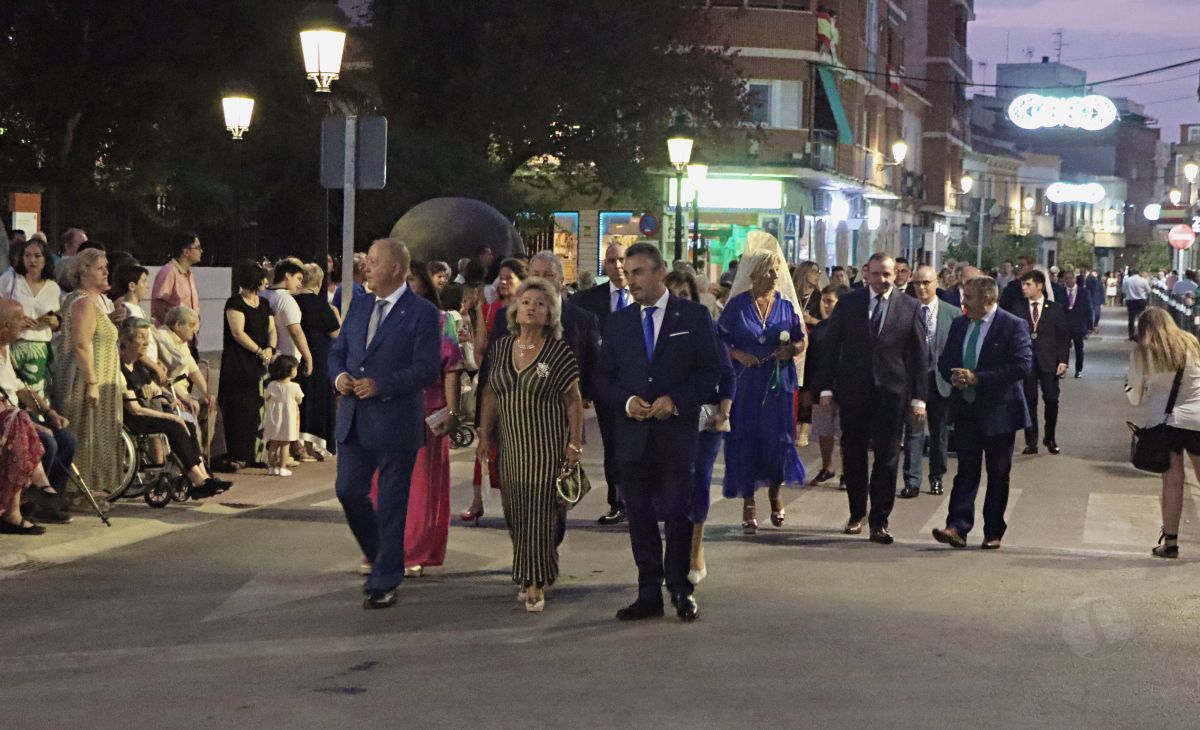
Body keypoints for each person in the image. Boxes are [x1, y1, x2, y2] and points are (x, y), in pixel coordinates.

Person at [595, 242, 721, 622]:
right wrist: (627, 402)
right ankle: (648, 591)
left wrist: (675, 400)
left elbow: (710, 374)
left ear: (659, 272)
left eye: (637, 272)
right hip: (633, 437)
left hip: (675, 436)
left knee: (678, 514)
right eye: (627, 273)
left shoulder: (694, 317)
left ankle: (680, 589)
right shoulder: (619, 322)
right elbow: (603, 379)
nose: (629, 280)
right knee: (640, 517)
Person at [329, 238, 441, 610]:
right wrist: (339, 377)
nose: (367, 267)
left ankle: (385, 580)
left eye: (374, 261)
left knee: (392, 503)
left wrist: (383, 385)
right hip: (355, 419)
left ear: (395, 268)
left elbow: (426, 368)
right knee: (348, 490)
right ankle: (382, 556)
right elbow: (338, 352)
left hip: (395, 421)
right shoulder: (358, 305)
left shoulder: (422, 313)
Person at [476, 278, 581, 612]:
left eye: (540, 303)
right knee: (517, 513)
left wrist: (575, 444)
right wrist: (483, 433)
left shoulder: (558, 351)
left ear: (550, 313)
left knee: (540, 512)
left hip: (547, 444)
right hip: (511, 446)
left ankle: (533, 582)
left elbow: (574, 402)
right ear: (515, 310)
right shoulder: (502, 349)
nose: (532, 307)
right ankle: (537, 569)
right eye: (526, 302)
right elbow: (491, 392)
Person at [813, 252, 928, 544]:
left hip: (892, 393)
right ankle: (856, 513)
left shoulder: (910, 307)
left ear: (896, 274)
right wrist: (825, 388)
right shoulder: (850, 303)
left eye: (888, 274)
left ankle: (880, 521)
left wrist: (919, 398)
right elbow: (831, 346)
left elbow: (918, 356)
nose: (882, 280)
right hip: (854, 392)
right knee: (853, 455)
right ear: (867, 273)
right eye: (877, 274)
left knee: (888, 458)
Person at [932, 277, 1032, 550]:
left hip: (1000, 412)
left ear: (988, 300)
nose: (963, 302)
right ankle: (957, 527)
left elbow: (1022, 366)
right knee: (966, 471)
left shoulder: (1013, 325)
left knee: (998, 473)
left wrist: (978, 378)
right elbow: (945, 360)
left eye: (969, 298)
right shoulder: (960, 324)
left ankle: (993, 531)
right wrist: (952, 376)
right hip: (966, 409)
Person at [719, 242, 806, 533]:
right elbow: (720, 338)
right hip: (745, 385)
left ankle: (775, 493)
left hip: (777, 385)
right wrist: (737, 354)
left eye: (776, 271)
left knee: (776, 443)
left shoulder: (785, 305)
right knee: (746, 441)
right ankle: (748, 502)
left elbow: (800, 338)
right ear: (753, 274)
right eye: (767, 271)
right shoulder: (737, 305)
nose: (773, 276)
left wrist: (792, 350)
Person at [386, 262, 463, 577]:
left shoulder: (440, 320)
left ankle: (414, 548)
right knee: (384, 483)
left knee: (418, 485)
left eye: (411, 280)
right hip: (387, 411)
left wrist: (452, 410)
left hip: (426, 411)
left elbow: (451, 367)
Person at [665, 270, 734, 586]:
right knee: (671, 489)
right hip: (670, 422)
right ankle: (673, 556)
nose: (678, 300)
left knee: (699, 483)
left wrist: (723, 411)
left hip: (706, 421)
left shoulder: (706, 326)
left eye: (684, 293)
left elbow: (727, 374)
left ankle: (695, 550)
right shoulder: (656, 332)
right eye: (672, 293)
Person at [118, 318, 229, 497]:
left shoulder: (138, 365)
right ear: (127, 341)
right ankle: (197, 480)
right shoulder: (121, 368)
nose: (146, 342)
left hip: (147, 411)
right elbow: (135, 409)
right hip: (134, 418)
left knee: (188, 424)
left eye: (147, 337)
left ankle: (204, 476)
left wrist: (169, 398)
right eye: (141, 337)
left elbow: (153, 389)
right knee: (175, 424)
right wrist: (170, 417)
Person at [1124, 308, 1200, 559]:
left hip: (1164, 424)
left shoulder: (1142, 353)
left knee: (1172, 483)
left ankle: (1170, 543)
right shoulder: (1191, 342)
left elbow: (1134, 395)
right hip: (1197, 419)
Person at [52, 249, 122, 501]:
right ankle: (75, 494)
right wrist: (92, 383)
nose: (106, 271)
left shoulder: (93, 301)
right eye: (100, 267)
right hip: (84, 381)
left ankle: (85, 492)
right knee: (84, 435)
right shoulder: (82, 301)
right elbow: (82, 344)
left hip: (98, 377)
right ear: (83, 271)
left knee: (92, 435)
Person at [460, 257, 526, 520]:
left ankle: (518, 502)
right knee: (485, 442)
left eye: (510, 277)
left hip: (521, 389)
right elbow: (480, 354)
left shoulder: (530, 309)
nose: (504, 282)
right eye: (502, 277)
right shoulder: (491, 311)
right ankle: (477, 501)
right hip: (493, 383)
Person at [572, 242, 631, 525]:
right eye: (611, 261)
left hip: (643, 385)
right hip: (608, 387)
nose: (617, 266)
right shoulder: (588, 300)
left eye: (622, 260)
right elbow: (580, 347)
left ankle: (642, 499)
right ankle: (617, 500)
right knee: (614, 445)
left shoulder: (647, 296)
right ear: (604, 265)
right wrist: (582, 387)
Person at [0, 299, 73, 525]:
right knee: (47, 443)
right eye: (19, 319)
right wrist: (34, 424)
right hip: (6, 418)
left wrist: (49, 413)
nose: (24, 323)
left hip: (15, 413)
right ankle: (28, 501)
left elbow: (22, 389)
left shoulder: (6, 348)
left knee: (67, 440)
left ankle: (47, 501)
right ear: (4, 326)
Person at [901, 265, 962, 498]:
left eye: (926, 282)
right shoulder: (906, 310)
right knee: (914, 431)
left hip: (941, 381)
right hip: (914, 380)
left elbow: (957, 347)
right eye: (917, 283)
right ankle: (912, 480)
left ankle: (936, 477)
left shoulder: (952, 313)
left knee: (939, 433)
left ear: (936, 283)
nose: (922, 287)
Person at [219, 261, 276, 468]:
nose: (265, 281)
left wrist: (270, 348)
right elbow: (237, 332)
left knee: (259, 407)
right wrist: (259, 350)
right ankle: (239, 453)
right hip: (239, 362)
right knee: (240, 408)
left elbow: (271, 329)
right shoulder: (235, 303)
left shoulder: (264, 304)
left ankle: (258, 454)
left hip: (261, 361)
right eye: (262, 277)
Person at [1014, 270, 1069, 455]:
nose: (1024, 288)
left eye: (1028, 284)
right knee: (1029, 401)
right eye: (1023, 284)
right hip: (1027, 361)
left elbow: (1063, 336)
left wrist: (1063, 360)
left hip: (1049, 360)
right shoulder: (1018, 308)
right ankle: (1032, 440)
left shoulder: (1054, 308)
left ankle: (1050, 437)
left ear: (1040, 286)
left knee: (1052, 399)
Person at [0, 237, 61, 399]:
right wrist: (16, 318)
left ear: (45, 259)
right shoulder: (12, 278)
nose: (32, 260)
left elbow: (58, 318)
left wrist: (54, 322)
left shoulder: (53, 287)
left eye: (37, 256)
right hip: (13, 342)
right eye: (27, 255)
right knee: (9, 388)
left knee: (34, 392)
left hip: (39, 345)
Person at [295, 262, 341, 457]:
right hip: (319, 355)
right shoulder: (320, 304)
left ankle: (296, 444)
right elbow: (336, 333)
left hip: (297, 354)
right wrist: (337, 315)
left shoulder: (293, 300)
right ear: (320, 281)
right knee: (318, 398)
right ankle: (314, 444)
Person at [805, 285, 843, 486]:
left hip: (843, 387)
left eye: (831, 301)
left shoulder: (850, 327)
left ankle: (848, 471)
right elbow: (811, 360)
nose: (827, 306)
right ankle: (827, 467)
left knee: (845, 432)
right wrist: (808, 388)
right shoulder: (819, 328)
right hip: (820, 388)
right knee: (823, 430)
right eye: (824, 301)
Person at [111, 263, 169, 384]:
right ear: (132, 286)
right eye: (144, 281)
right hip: (141, 369)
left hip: (150, 366)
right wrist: (155, 367)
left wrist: (157, 361)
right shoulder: (127, 310)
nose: (147, 286)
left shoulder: (139, 310)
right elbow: (133, 345)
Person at [262, 259, 314, 380]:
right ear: (287, 275)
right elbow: (295, 331)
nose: (300, 284)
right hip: (287, 364)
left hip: (268, 357)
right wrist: (308, 358)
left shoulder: (262, 294)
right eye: (298, 278)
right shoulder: (286, 299)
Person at [150, 232, 203, 341]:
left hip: (189, 338)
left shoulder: (189, 274)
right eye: (198, 248)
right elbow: (160, 305)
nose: (201, 251)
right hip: (173, 339)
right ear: (186, 251)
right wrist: (175, 331)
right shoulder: (169, 272)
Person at [264, 355, 303, 477]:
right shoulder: (294, 386)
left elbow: (266, 397)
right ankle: (282, 467)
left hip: (274, 417)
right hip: (289, 418)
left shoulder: (271, 385)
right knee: (285, 444)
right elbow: (299, 399)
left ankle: (271, 467)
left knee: (273, 443)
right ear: (290, 371)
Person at [1062, 270, 1093, 378]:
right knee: (1063, 349)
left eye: (1070, 278)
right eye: (1066, 279)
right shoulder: (1060, 292)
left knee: (1079, 348)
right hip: (1064, 325)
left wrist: (1090, 326)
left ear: (1075, 279)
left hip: (1079, 325)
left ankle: (1078, 369)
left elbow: (1089, 309)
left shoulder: (1083, 292)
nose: (1068, 281)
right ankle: (1063, 369)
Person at [1121, 268, 1150, 341]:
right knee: (1142, 318)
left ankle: (1131, 335)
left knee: (1131, 318)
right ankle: (1142, 334)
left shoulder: (1127, 281)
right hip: (1141, 300)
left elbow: (1123, 290)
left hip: (1130, 301)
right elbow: (1149, 290)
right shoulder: (1143, 280)